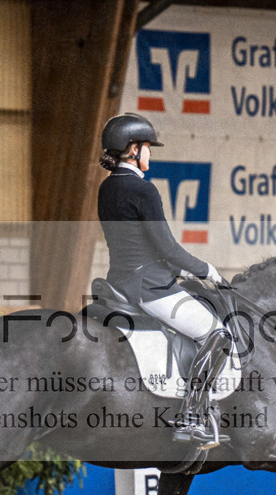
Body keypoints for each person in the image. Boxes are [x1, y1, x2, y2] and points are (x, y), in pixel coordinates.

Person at [97, 112, 232, 446]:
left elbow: (136, 245)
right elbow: (167, 247)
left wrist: (177, 269)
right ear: (132, 149)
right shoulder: (144, 190)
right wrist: (206, 270)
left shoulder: (107, 188)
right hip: (149, 288)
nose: (150, 154)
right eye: (147, 147)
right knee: (217, 332)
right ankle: (191, 414)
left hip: (120, 280)